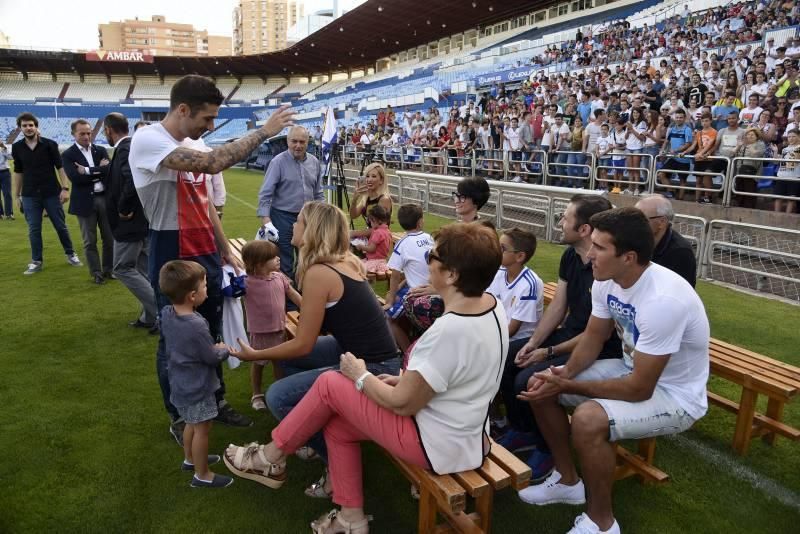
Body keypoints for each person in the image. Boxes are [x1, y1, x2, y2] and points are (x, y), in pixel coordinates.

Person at [223, 222, 509, 533]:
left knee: (331, 383)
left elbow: (402, 406)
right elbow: (461, 378)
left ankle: (270, 456)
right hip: (466, 436)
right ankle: (351, 519)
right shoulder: (492, 309)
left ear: (452, 275)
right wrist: (400, 381)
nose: (427, 260)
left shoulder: (447, 330)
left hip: (436, 444)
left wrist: (361, 377)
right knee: (337, 425)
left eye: (432, 256)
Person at [518, 207, 710, 534]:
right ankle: (567, 481)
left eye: (600, 247)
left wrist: (568, 387)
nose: (590, 254)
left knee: (588, 419)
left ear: (629, 257)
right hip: (630, 368)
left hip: (675, 396)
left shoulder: (664, 300)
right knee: (541, 382)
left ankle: (602, 523)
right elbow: (593, 338)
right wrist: (561, 377)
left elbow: (639, 389)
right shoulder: (606, 280)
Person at [129, 74, 293, 443]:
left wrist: (223, 249)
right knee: (176, 339)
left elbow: (206, 207)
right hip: (171, 247)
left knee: (210, 331)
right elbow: (215, 163)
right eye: (206, 118)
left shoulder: (192, 141)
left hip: (204, 248)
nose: (210, 126)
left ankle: (214, 403)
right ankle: (180, 414)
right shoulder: (148, 139)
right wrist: (264, 131)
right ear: (183, 109)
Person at [228, 201, 401, 496]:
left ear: (312, 231)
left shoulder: (320, 273)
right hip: (363, 353)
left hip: (374, 368)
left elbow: (302, 343)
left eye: (298, 221)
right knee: (293, 365)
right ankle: (308, 431)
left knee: (278, 396)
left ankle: (334, 461)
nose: (292, 226)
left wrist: (256, 355)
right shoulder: (342, 260)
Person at [502, 194, 620, 479]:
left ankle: (548, 448)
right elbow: (559, 306)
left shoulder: (607, 268)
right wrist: (533, 342)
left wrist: (548, 352)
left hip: (599, 347)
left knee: (528, 377)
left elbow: (598, 334)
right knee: (507, 355)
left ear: (584, 230)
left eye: (565, 218)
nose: (560, 222)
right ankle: (523, 429)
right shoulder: (571, 256)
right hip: (570, 334)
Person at [158, 260, 234, 488]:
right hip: (198, 387)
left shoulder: (167, 313)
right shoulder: (196, 324)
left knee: (190, 423)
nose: (206, 290)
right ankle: (203, 475)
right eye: (204, 287)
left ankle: (190, 459)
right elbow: (210, 357)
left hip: (180, 384)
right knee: (202, 429)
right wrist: (223, 351)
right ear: (192, 295)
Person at [102, 112, 158, 332]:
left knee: (123, 268)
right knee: (145, 268)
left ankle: (161, 312)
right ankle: (149, 316)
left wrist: (124, 208)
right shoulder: (128, 147)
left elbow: (131, 180)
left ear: (108, 129)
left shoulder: (126, 148)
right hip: (141, 220)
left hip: (130, 221)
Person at [11, 112, 83, 275]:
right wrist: (17, 195)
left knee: (60, 226)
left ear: (36, 126)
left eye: (31, 125)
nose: (28, 128)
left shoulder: (50, 144)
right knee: (34, 229)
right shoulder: (17, 147)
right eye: (25, 125)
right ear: (20, 128)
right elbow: (18, 172)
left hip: (51, 193)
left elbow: (60, 167)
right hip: (29, 195)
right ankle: (36, 261)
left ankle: (71, 254)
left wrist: (65, 189)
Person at [241, 239, 302, 411]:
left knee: (279, 362)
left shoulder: (280, 277)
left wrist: (307, 307)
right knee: (258, 362)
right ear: (259, 264)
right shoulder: (247, 283)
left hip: (279, 328)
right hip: (260, 332)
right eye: (272, 257)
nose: (278, 259)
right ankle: (257, 394)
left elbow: (294, 295)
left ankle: (279, 389)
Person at [257, 125, 324, 282]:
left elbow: (318, 193)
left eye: (302, 142)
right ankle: (288, 304)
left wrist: (323, 216)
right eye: (294, 141)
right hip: (282, 218)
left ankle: (306, 298)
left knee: (307, 260)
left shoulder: (314, 163)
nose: (298, 145)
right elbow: (266, 193)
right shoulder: (277, 162)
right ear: (288, 141)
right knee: (285, 263)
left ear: (308, 142)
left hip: (307, 219)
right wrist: (266, 220)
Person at [61, 119, 113, 284]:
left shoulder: (101, 150)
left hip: (104, 198)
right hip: (84, 201)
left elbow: (109, 172)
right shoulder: (68, 155)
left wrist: (88, 171)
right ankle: (96, 273)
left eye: (89, 133)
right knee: (89, 241)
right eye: (82, 133)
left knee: (109, 238)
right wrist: (99, 171)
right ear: (73, 134)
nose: (86, 136)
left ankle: (109, 270)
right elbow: (75, 178)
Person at [384, 204, 433, 353]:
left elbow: (395, 274)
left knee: (389, 318)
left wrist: (391, 297)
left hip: (416, 291)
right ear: (420, 222)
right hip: (433, 286)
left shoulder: (402, 244)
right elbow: (420, 267)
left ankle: (406, 353)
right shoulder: (429, 238)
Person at [635, 194, 697, 286]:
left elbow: (680, 292)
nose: (633, 223)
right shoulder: (634, 241)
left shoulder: (680, 252)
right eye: (632, 217)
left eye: (640, 218)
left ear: (662, 222)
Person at [349, 162, 393, 235]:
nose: (369, 180)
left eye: (374, 176)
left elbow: (379, 229)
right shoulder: (366, 197)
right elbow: (353, 215)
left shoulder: (384, 199)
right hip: (371, 239)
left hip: (380, 241)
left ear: (381, 180)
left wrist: (353, 233)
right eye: (367, 176)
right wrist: (354, 200)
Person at [354, 204, 392, 276]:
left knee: (356, 268)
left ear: (377, 221)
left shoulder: (377, 232)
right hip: (382, 260)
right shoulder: (387, 231)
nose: (370, 224)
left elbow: (372, 249)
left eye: (371, 221)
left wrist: (361, 247)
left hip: (374, 261)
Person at [774, 128, 800, 214]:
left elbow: (793, 163)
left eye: (793, 136)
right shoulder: (785, 149)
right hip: (781, 175)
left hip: (794, 176)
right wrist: (775, 152)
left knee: (791, 198)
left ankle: (787, 216)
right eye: (789, 137)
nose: (791, 138)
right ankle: (776, 216)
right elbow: (778, 161)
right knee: (778, 197)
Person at [0, 140, 13, 220]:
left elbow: (11, 157)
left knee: (7, 193)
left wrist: (4, 147)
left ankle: (9, 214)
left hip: (4, 172)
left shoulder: (4, 147)